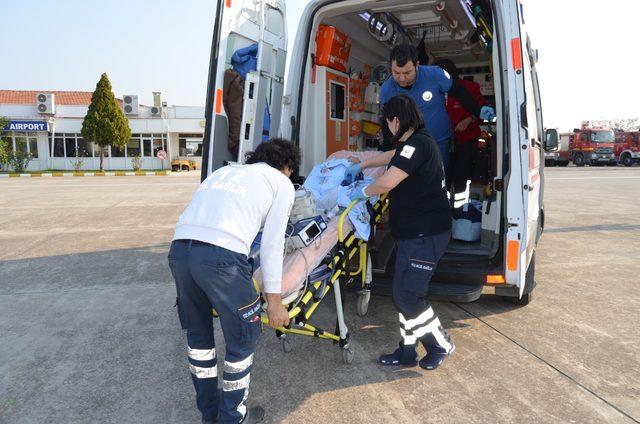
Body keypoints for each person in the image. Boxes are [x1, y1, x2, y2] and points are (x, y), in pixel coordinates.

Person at [168, 138, 299, 424]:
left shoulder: (223, 172)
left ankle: (210, 414)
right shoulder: (281, 182)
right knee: (242, 339)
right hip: (221, 259)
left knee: (199, 339)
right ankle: (232, 418)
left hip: (179, 251)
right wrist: (274, 303)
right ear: (287, 166)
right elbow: (273, 245)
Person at [344, 95, 455, 370]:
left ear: (395, 120)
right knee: (403, 294)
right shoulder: (416, 143)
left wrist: (359, 192)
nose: (387, 127)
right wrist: (362, 165)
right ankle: (406, 352)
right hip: (413, 234)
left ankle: (440, 343)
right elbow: (393, 156)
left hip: (425, 235)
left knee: (408, 296)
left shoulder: (418, 144)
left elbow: (388, 182)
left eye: (387, 122)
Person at [379, 43, 495, 172]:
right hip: (409, 144)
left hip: (439, 141)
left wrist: (478, 110)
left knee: (438, 178)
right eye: (396, 72)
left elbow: (458, 91)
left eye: (407, 72)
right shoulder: (387, 89)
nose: (401, 78)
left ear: (417, 65)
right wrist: (386, 147)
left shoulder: (434, 74)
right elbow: (387, 121)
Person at [435, 58, 488, 197]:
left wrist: (469, 120)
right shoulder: (434, 90)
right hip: (441, 141)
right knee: (441, 175)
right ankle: (442, 207)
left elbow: (481, 109)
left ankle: (460, 210)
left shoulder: (469, 87)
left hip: (465, 140)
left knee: (461, 174)